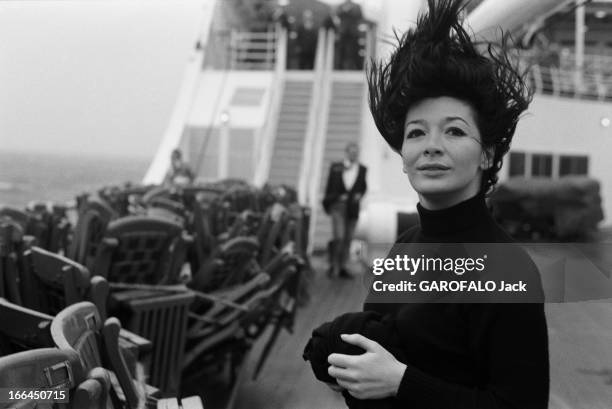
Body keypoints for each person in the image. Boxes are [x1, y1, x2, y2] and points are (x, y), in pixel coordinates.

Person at [310, 0, 550, 407]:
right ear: (402, 153)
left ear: (487, 155)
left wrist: (402, 383)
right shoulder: (404, 248)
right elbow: (373, 354)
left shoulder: (508, 268)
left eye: (454, 131)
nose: (432, 147)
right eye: (417, 133)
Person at [322, 142, 367, 279]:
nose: (353, 154)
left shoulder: (363, 169)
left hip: (352, 208)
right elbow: (329, 187)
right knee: (339, 237)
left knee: (348, 239)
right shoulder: (336, 167)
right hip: (338, 207)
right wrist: (328, 204)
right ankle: (333, 266)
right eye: (351, 152)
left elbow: (363, 186)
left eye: (356, 152)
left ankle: (342, 266)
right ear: (346, 152)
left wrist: (359, 195)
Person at [336, 0, 363, 70]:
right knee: (341, 51)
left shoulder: (356, 6)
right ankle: (339, 68)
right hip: (343, 33)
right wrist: (345, 10)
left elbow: (360, 15)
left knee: (354, 51)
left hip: (353, 33)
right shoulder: (340, 6)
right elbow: (337, 14)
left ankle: (358, 68)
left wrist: (349, 10)